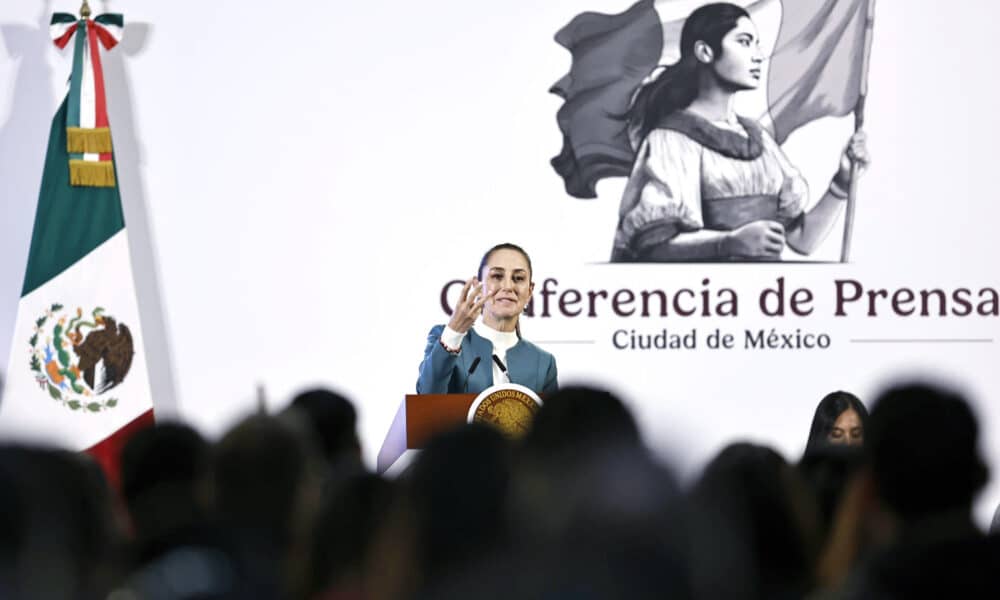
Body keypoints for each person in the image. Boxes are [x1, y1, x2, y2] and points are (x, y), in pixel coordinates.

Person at [611, 2, 870, 262]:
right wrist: (728, 243)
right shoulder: (671, 140)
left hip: (769, 296)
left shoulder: (760, 140)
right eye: (744, 42)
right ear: (704, 51)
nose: (758, 55)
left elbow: (802, 240)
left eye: (757, 43)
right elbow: (653, 249)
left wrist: (842, 182)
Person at [416, 243, 558, 395]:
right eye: (497, 276)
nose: (508, 286)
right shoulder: (445, 339)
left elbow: (551, 418)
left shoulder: (543, 362)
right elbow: (426, 397)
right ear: (478, 286)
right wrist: (454, 332)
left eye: (518, 278)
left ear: (530, 291)